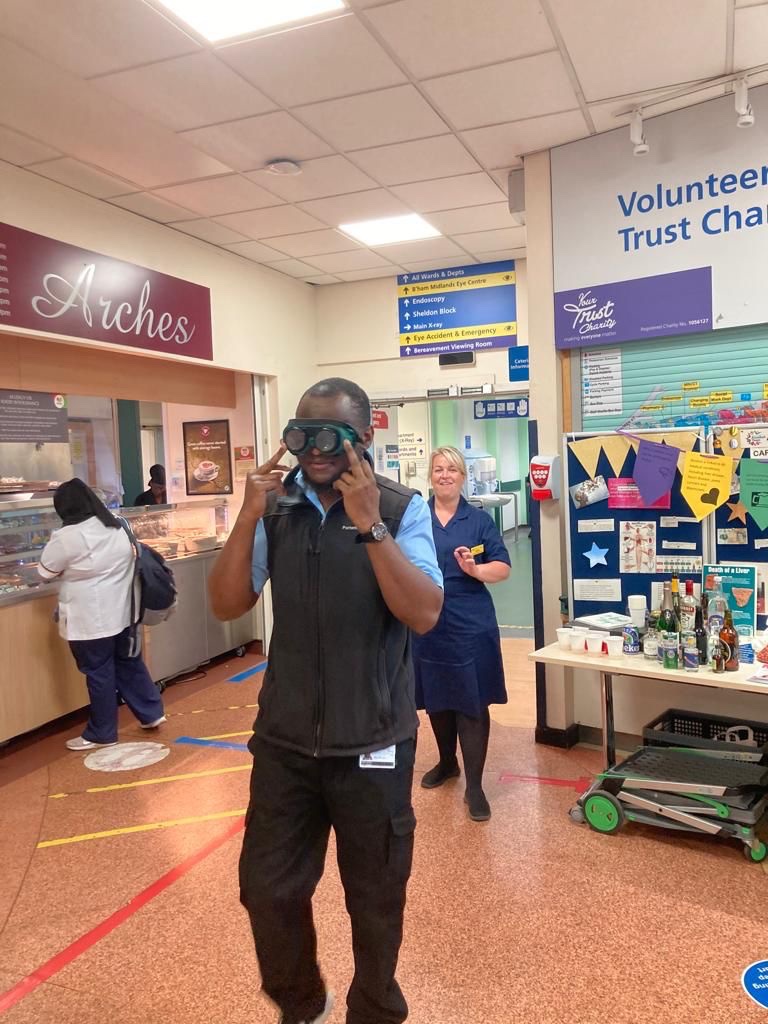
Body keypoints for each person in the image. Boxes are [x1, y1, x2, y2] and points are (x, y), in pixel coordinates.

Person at [208, 378, 443, 1024]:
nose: (313, 450)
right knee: (266, 890)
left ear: (363, 438)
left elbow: (423, 612)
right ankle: (302, 1004)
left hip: (372, 742)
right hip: (285, 742)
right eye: (300, 435)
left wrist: (370, 527)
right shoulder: (276, 509)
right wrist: (248, 514)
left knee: (375, 899)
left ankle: (372, 1009)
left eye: (330, 436)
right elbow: (228, 602)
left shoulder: (400, 509)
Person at [413, 446, 511, 823]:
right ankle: (446, 762)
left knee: (471, 701)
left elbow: (502, 567)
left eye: (452, 469)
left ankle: (475, 785)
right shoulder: (415, 516)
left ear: (463, 476)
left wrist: (474, 570)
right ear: (430, 476)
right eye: (438, 469)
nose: (445, 475)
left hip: (471, 622)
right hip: (428, 620)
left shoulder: (479, 521)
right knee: (437, 697)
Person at [38, 478, 166, 750]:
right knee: (128, 663)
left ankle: (102, 733)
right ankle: (151, 713)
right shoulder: (118, 523)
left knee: (99, 672)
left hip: (89, 620)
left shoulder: (67, 536)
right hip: (124, 611)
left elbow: (45, 572)